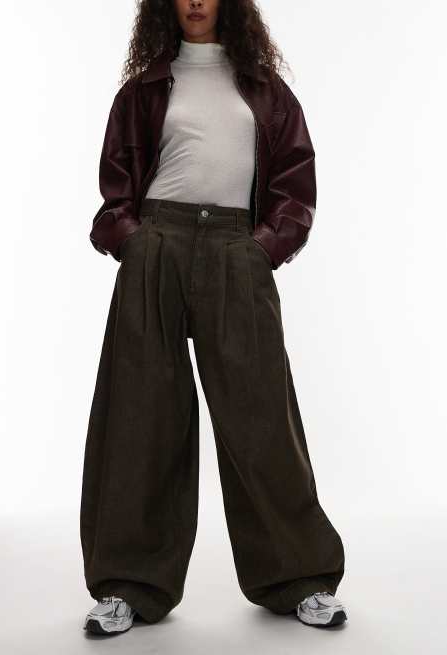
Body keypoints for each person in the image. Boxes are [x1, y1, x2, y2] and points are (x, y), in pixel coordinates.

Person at [80, 0, 347, 635]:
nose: (196, 0)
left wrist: (262, 250)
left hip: (236, 249)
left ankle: (299, 578)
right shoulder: (144, 89)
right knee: (140, 416)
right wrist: (134, 241)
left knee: (262, 416)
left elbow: (294, 184)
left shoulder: (266, 90)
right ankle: (127, 586)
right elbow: (116, 185)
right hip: (157, 244)